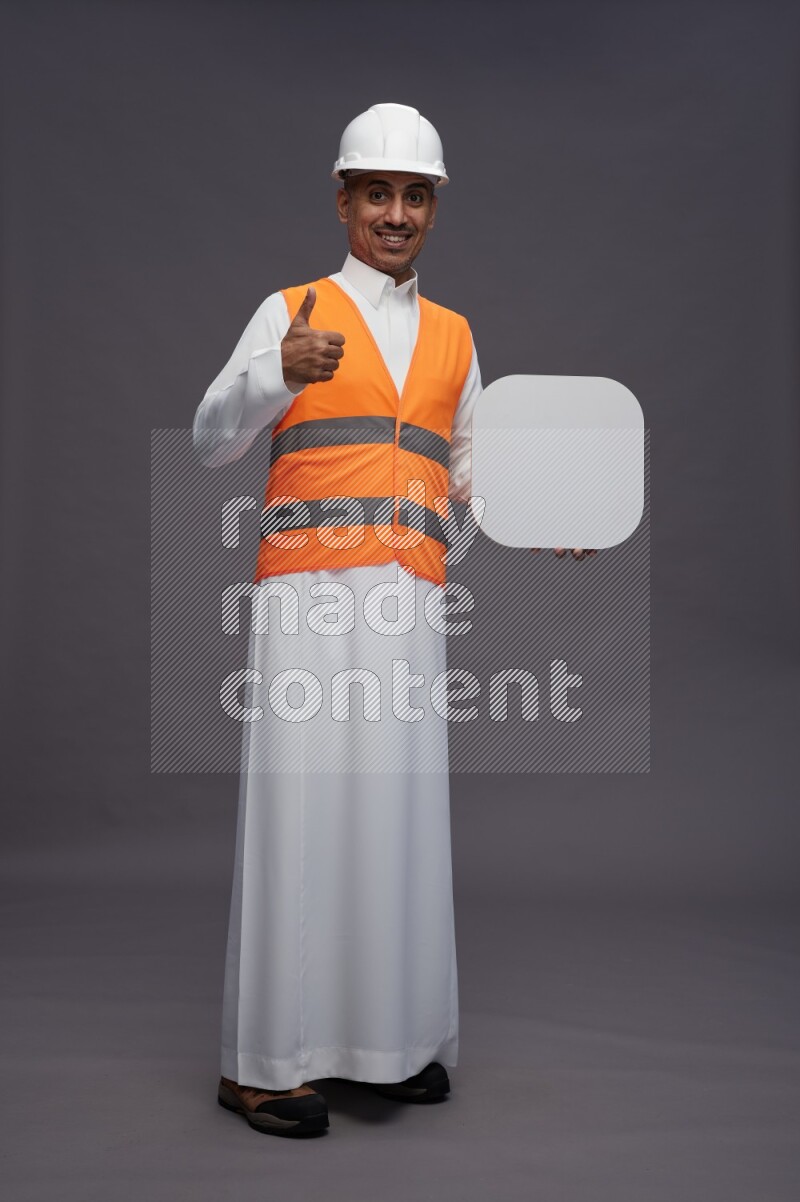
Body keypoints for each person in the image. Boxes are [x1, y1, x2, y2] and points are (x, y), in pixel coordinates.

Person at [193, 102, 591, 1139]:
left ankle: (383, 1043)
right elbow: (207, 439)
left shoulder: (456, 335)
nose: (396, 212)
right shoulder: (293, 311)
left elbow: (467, 471)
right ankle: (261, 1064)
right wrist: (274, 374)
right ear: (343, 201)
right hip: (306, 599)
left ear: (432, 207)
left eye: (414, 195)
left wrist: (552, 510)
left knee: (395, 820)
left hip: (409, 600)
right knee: (299, 813)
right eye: (377, 192)